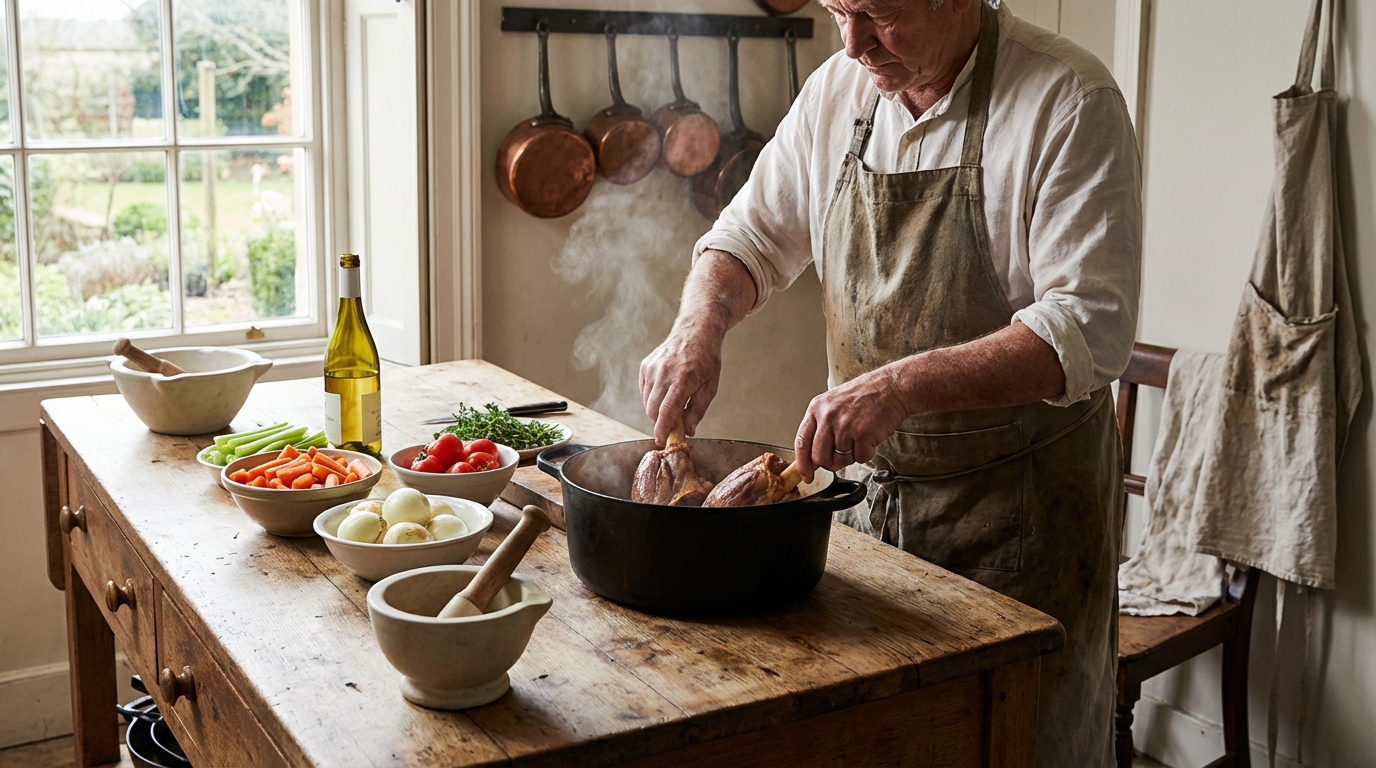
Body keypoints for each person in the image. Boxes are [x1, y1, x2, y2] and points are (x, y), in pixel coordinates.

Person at [639, 0, 1141, 764]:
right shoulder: (838, 91)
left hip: (1020, 530)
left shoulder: (1068, 101)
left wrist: (899, 386)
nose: (853, 41)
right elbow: (750, 237)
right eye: (839, 7)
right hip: (869, 524)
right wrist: (696, 327)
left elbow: (1089, 327)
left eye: (880, 12)